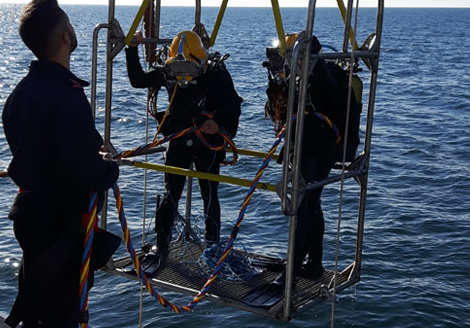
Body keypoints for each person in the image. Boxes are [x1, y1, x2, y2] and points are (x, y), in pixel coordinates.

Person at [2, 0, 120, 328]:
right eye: (68, 22)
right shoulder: (67, 96)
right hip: (60, 226)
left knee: (35, 311)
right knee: (62, 316)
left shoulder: (20, 93)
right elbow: (85, 168)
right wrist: (110, 169)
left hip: (28, 216)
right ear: (66, 35)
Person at [125, 30, 242, 272]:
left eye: (188, 70)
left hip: (207, 142)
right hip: (179, 139)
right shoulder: (169, 74)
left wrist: (218, 125)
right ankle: (162, 245)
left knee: (209, 195)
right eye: (178, 71)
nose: (183, 77)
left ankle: (213, 248)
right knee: (170, 194)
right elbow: (138, 80)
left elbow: (233, 107)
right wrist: (132, 49)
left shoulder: (216, 75)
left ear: (201, 62)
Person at [264, 32, 361, 283]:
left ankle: (292, 271)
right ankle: (313, 264)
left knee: (302, 206)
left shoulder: (323, 78)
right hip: (308, 144)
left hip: (321, 146)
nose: (287, 65)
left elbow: (317, 111)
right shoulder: (298, 79)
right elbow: (283, 114)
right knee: (311, 204)